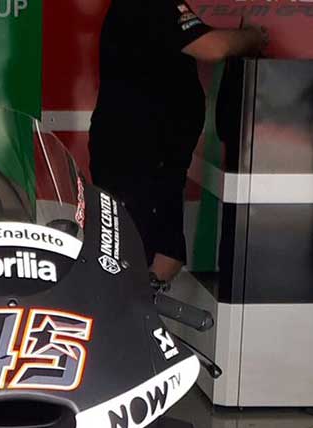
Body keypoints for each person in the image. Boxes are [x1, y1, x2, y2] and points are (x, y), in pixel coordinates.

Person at [90, 1, 266, 287]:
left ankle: (144, 303)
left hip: (160, 157)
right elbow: (213, 47)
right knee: (134, 252)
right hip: (134, 155)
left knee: (167, 253)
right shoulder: (151, 5)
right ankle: (129, 307)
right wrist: (253, 37)